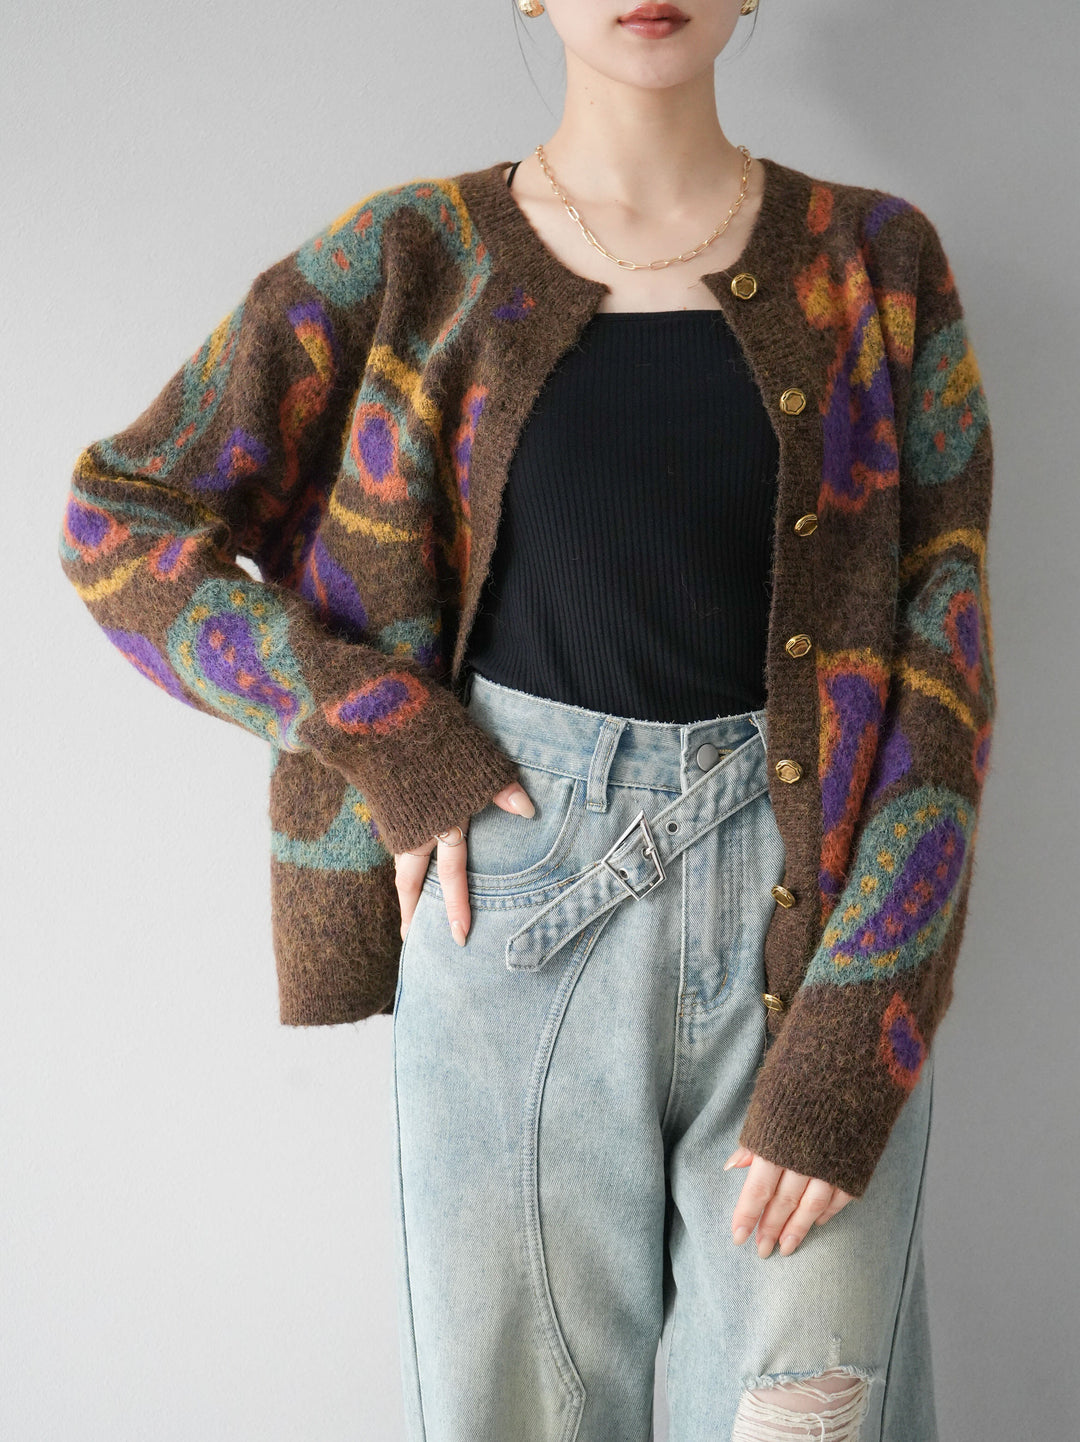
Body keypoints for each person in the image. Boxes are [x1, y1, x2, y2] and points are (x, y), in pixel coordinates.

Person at [57, 1, 996, 1438]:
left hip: (819, 926)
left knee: (807, 1411)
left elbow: (946, 656)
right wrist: (385, 731)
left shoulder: (879, 264)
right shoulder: (412, 258)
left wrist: (865, 1025)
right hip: (514, 907)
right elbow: (119, 520)